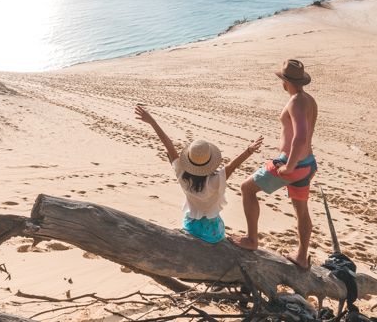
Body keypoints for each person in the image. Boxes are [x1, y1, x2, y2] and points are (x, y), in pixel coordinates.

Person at [231, 59, 318, 270]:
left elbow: (300, 137)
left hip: (293, 165)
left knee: (247, 188)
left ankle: (252, 239)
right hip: (307, 164)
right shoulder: (309, 99)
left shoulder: (296, 101)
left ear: (285, 81)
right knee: (302, 210)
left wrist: (288, 166)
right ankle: (301, 256)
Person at [135, 104, 263, 243]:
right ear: (210, 162)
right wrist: (249, 151)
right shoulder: (216, 181)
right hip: (214, 233)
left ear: (189, 160)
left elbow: (168, 144)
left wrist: (152, 121)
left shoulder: (182, 176)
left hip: (192, 228)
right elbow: (233, 164)